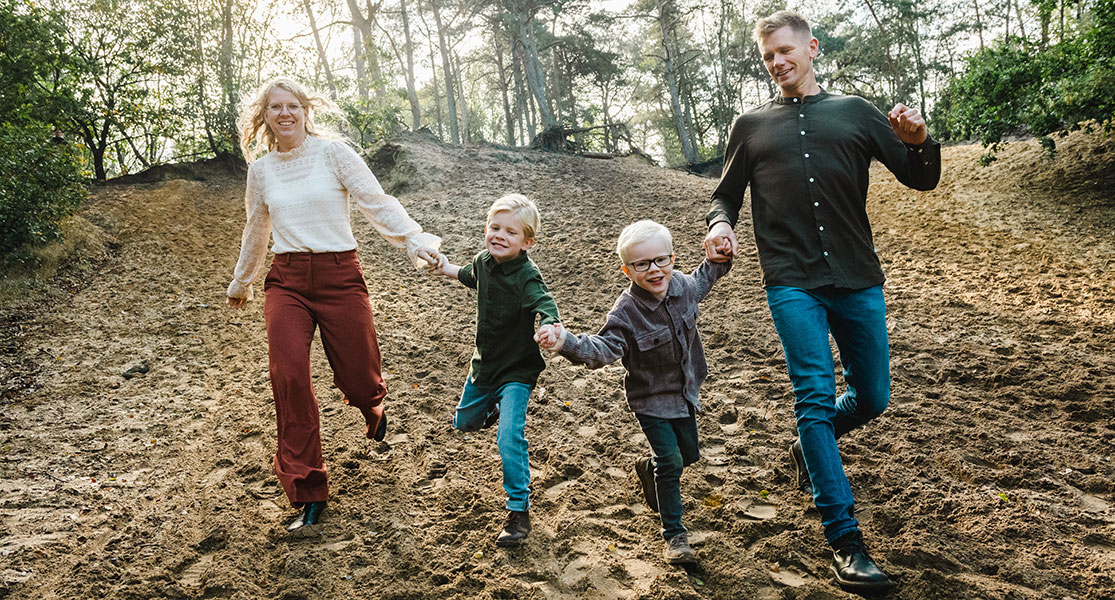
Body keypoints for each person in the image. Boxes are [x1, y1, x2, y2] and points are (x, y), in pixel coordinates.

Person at [703, 10, 941, 592]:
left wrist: (921, 141)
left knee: (872, 397)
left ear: (812, 48)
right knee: (812, 397)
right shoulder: (750, 125)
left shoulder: (856, 113)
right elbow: (725, 196)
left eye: (786, 50)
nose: (778, 62)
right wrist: (719, 226)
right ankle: (847, 542)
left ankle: (809, 447)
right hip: (791, 283)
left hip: (859, 279)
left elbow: (921, 178)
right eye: (767, 56)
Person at [226, 77, 441, 530]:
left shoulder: (335, 153)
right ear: (264, 117)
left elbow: (375, 202)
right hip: (286, 283)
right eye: (275, 107)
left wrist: (413, 239)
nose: (285, 114)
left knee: (359, 376)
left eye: (293, 106)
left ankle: (371, 405)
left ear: (306, 111)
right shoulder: (261, 170)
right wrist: (242, 281)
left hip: (340, 276)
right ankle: (308, 489)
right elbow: (256, 228)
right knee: (289, 377)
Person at [535, 220, 732, 565]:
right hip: (650, 398)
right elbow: (601, 349)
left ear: (672, 258)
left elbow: (705, 278)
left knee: (687, 456)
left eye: (661, 260)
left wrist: (718, 257)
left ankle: (649, 469)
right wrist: (564, 341)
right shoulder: (626, 311)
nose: (655, 270)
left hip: (686, 389)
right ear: (627, 269)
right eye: (642, 264)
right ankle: (675, 536)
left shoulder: (683, 286)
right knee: (671, 463)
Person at [427, 194, 560, 547]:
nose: (499, 236)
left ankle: (519, 512)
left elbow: (546, 304)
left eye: (511, 232)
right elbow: (470, 276)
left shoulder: (528, 276)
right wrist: (444, 267)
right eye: (495, 228)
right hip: (484, 364)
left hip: (517, 370)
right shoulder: (483, 262)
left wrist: (549, 325)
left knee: (508, 438)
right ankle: (494, 409)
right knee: (464, 423)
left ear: (527, 242)